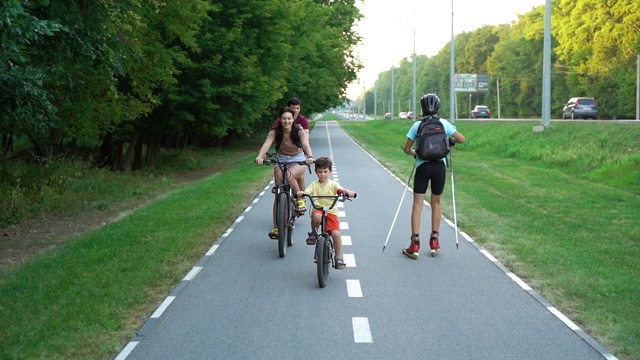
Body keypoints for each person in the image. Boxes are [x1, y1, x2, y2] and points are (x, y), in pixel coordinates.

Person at [402, 93, 466, 259]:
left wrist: (414, 152)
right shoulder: (443, 123)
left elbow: (406, 149)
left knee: (418, 204)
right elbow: (461, 139)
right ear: (437, 107)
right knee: (436, 202)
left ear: (422, 108)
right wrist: (449, 142)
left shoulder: (417, 125)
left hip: (423, 166)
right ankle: (434, 242)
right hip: (439, 166)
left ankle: (414, 244)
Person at [256, 107, 314, 239]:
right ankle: (277, 227)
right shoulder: (275, 131)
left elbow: (305, 144)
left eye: (289, 118)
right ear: (280, 119)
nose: (286, 121)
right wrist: (260, 156)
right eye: (283, 118)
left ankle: (300, 199)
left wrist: (309, 156)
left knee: (288, 175)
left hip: (298, 160)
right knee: (278, 193)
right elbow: (266, 144)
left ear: (293, 119)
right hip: (281, 160)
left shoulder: (298, 130)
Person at [297, 157, 356, 270]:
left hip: (331, 211)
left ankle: (338, 258)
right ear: (315, 172)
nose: (322, 174)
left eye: (325, 171)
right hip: (318, 208)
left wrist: (348, 193)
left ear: (330, 172)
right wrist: (302, 193)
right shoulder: (314, 185)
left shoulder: (333, 184)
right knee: (317, 216)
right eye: (319, 171)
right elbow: (307, 192)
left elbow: (341, 190)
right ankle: (314, 233)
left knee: (336, 234)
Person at [271, 97, 310, 189]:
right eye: (293, 108)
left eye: (297, 108)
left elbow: (306, 136)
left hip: (299, 150)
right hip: (284, 152)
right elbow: (274, 135)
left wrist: (307, 153)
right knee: (280, 183)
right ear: (288, 108)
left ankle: (301, 199)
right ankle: (281, 200)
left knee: (300, 176)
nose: (295, 110)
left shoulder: (303, 120)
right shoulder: (281, 120)